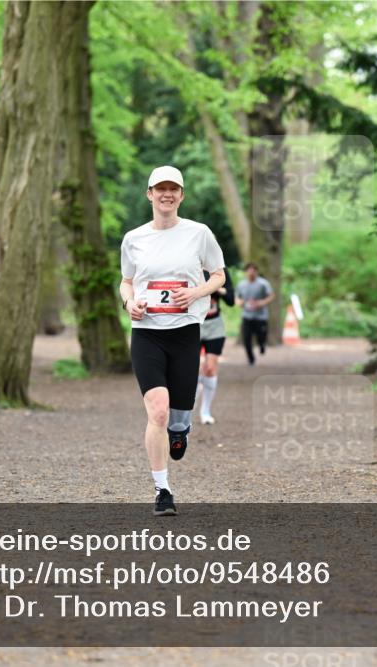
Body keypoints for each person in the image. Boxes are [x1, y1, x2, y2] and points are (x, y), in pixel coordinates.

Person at [120, 166, 226, 516]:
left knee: (178, 416)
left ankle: (182, 429)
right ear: (149, 194)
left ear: (181, 195)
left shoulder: (199, 233)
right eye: (160, 188)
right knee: (158, 412)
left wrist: (195, 292)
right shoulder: (134, 238)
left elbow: (219, 275)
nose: (167, 194)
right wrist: (128, 302)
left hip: (184, 332)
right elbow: (127, 280)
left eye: (173, 189)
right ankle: (162, 491)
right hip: (147, 333)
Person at [197, 267, 234, 424]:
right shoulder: (190, 265)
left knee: (210, 368)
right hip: (194, 324)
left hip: (215, 326)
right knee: (193, 368)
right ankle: (190, 398)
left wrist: (218, 289)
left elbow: (231, 300)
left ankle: (205, 411)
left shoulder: (220, 270)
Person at [235, 262, 274, 365]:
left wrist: (261, 303)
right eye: (249, 270)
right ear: (246, 272)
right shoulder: (241, 284)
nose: (251, 273)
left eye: (253, 270)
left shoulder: (263, 283)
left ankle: (262, 345)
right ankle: (251, 359)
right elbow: (237, 298)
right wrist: (240, 302)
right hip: (247, 316)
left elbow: (271, 296)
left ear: (256, 272)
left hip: (261, 316)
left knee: (261, 336)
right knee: (246, 338)